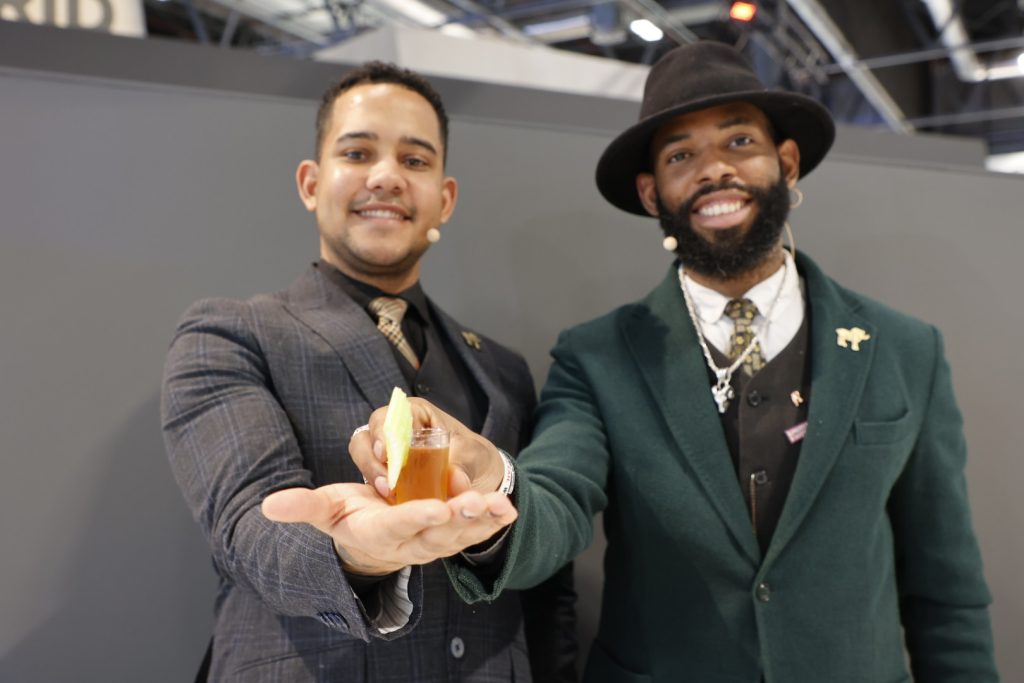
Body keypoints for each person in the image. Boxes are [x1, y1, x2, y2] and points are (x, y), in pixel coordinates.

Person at [346, 42, 1000, 681]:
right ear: (652, 192)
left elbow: (946, 588)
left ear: (787, 163)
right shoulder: (597, 357)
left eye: (739, 141)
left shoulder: (903, 349)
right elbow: (559, 496)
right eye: (681, 155)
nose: (714, 169)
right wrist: (494, 482)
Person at [161, 61, 575, 682]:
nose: (386, 177)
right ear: (311, 183)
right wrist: (357, 553)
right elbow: (247, 527)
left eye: (414, 160)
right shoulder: (228, 335)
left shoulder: (503, 368)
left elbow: (546, 586)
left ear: (445, 198)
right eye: (357, 153)